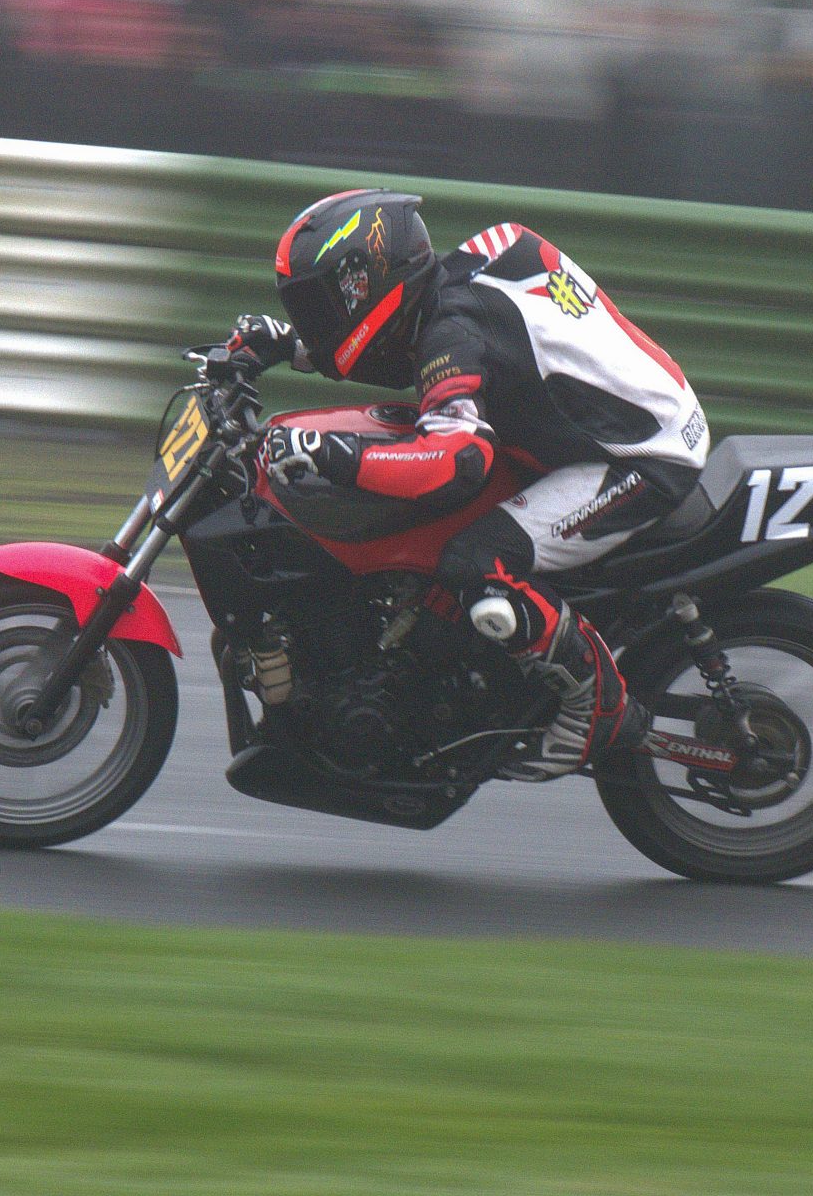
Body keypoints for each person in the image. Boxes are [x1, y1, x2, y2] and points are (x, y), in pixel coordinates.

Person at [231, 189, 708, 778]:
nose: (318, 321)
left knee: (478, 563)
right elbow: (410, 354)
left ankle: (598, 700)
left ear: (367, 280)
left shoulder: (455, 329)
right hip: (598, 427)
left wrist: (328, 454)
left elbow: (459, 461)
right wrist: (295, 349)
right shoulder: (450, 294)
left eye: (324, 307)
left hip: (639, 457)